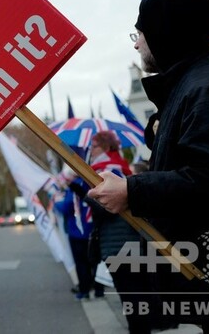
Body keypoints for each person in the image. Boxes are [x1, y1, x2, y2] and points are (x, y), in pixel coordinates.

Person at [87, 0, 209, 330]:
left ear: (164, 33)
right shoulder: (200, 85)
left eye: (140, 34)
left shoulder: (208, 90)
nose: (136, 44)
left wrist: (131, 191)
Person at [84, 131, 154, 333]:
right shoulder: (119, 167)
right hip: (129, 242)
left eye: (94, 147)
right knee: (136, 297)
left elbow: (108, 208)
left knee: (132, 298)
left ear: (106, 148)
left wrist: (88, 196)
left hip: (119, 244)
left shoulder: (107, 171)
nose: (91, 151)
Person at [53, 168, 98, 301]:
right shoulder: (90, 183)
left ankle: (84, 291)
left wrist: (56, 201)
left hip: (78, 231)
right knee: (93, 261)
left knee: (81, 263)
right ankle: (98, 289)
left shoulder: (75, 186)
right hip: (91, 229)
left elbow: (66, 207)